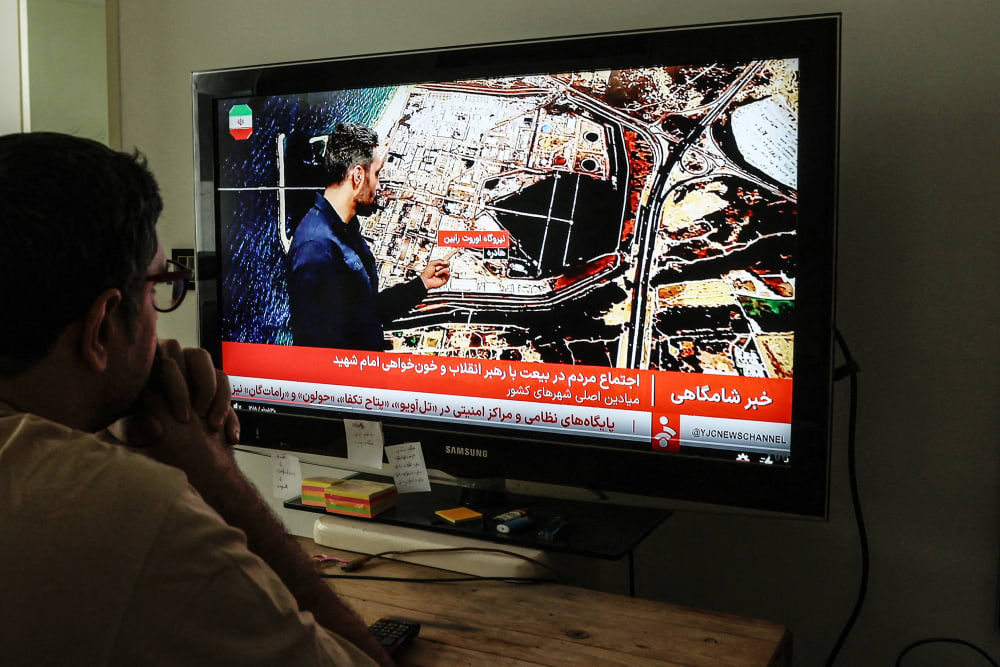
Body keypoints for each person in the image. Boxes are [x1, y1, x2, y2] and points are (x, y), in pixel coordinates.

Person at [0, 132, 392, 666]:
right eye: (158, 285)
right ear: (99, 330)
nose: (164, 337)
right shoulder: (132, 515)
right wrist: (214, 476)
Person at [287, 123, 450, 350]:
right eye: (377, 173)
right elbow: (318, 353)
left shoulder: (345, 227)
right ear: (357, 176)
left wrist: (421, 284)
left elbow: (367, 312)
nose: (379, 184)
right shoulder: (315, 248)